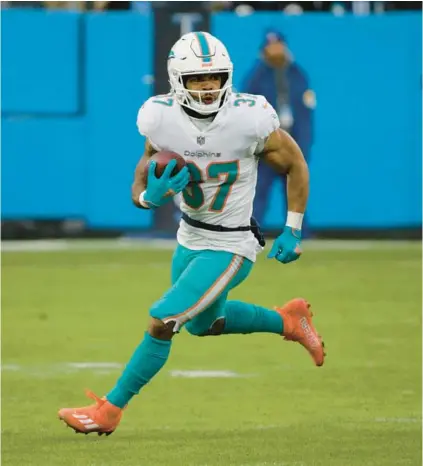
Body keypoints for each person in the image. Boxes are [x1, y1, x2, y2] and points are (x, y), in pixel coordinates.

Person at [58, 31, 325, 436]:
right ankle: (288, 320)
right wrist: (150, 196)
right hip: (190, 237)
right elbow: (142, 176)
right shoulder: (159, 117)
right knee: (203, 324)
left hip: (232, 243)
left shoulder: (250, 116)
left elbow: (295, 164)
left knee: (163, 319)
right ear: (177, 79)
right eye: (198, 79)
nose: (207, 87)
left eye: (214, 77)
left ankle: (109, 410)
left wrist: (292, 228)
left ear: (227, 76)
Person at [243, 29, 315, 236]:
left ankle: (298, 231)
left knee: (296, 190)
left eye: (277, 44)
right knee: (259, 192)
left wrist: (305, 145)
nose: (274, 49)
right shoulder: (256, 76)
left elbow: (305, 113)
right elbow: (246, 113)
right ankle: (250, 232)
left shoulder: (297, 73)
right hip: (265, 144)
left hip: (292, 141)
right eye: (270, 46)